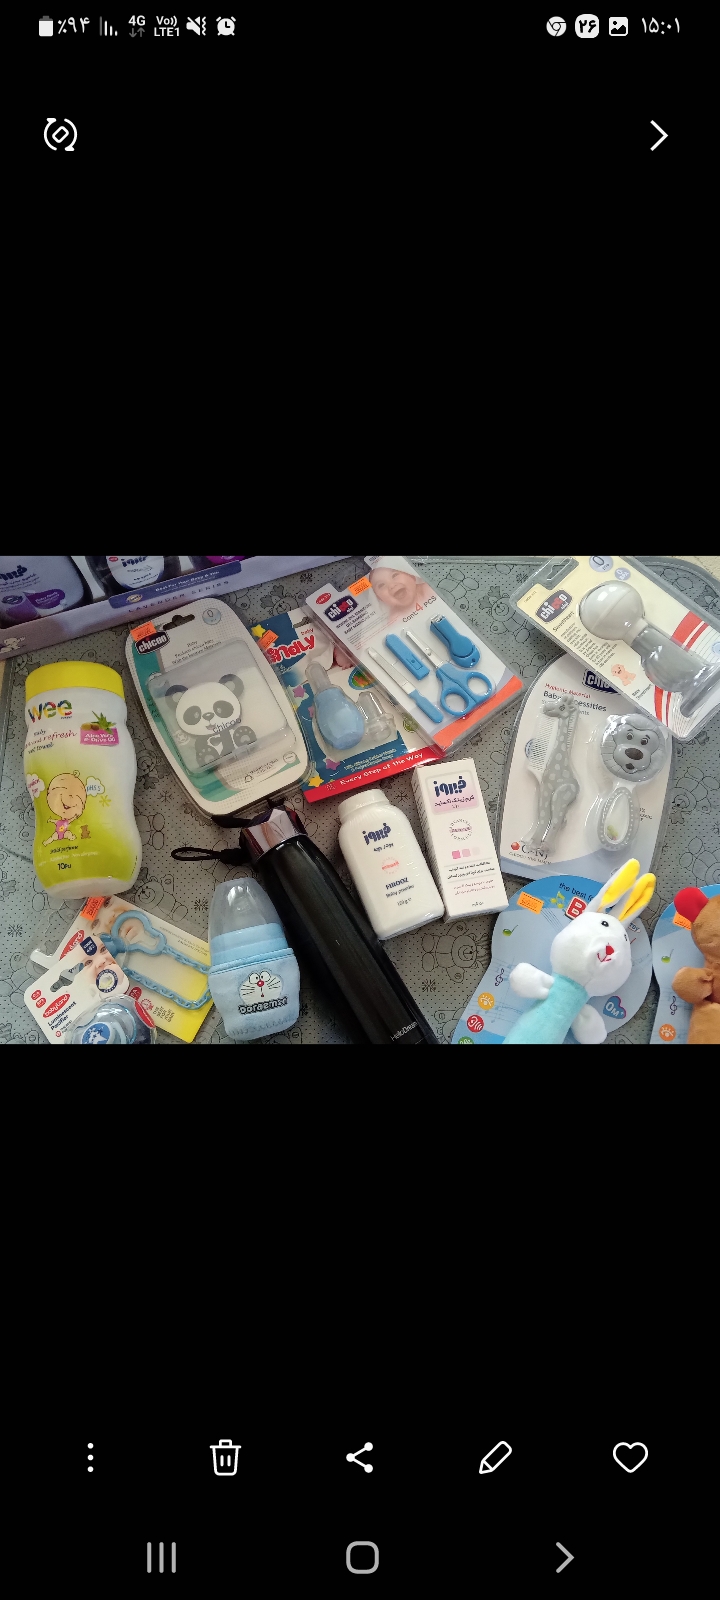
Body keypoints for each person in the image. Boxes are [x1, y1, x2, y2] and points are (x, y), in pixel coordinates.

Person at [369, 561, 435, 622]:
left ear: (411, 576)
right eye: (381, 585)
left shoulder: (429, 589)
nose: (392, 585)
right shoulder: (395, 619)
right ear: (380, 599)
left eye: (394, 575)